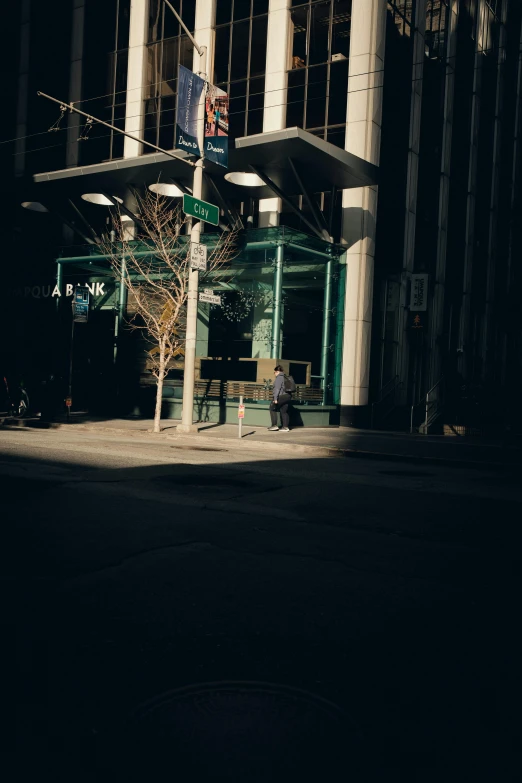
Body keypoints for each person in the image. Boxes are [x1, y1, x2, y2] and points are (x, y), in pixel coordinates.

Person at [268, 365, 291, 432]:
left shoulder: (279, 378)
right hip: (287, 396)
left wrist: (275, 399)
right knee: (284, 411)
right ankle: (285, 427)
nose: (274, 374)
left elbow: (277, 389)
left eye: (274, 372)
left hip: (281, 396)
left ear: (277, 372)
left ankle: (274, 425)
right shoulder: (285, 377)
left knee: (272, 408)